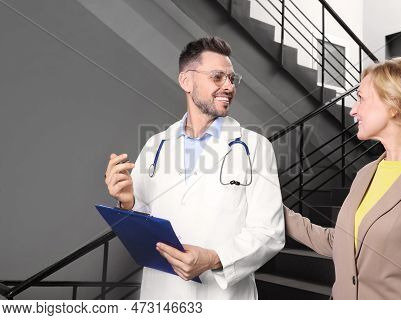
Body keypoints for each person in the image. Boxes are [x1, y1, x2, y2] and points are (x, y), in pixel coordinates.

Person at [104, 37, 285, 299]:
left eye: (232, 79)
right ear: (186, 81)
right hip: (163, 294)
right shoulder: (156, 146)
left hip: (223, 299)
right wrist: (127, 203)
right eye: (217, 77)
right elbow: (143, 223)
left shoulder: (255, 147)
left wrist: (213, 258)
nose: (228, 86)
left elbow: (270, 233)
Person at [284, 57, 401, 299]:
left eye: (361, 98)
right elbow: (340, 242)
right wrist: (270, 207)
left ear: (394, 104)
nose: (353, 109)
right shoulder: (367, 173)